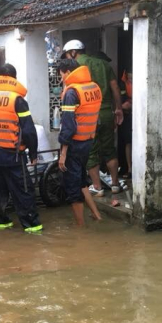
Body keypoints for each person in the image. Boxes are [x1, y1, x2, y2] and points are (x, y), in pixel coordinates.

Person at [0, 63, 42, 233]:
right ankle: (32, 227)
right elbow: (28, 130)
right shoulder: (18, 100)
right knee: (24, 191)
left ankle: (1, 222)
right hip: (13, 155)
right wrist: (33, 153)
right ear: (14, 78)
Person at [61, 40, 124, 197]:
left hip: (89, 116)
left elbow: (69, 92)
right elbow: (115, 87)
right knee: (110, 149)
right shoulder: (103, 64)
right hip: (106, 113)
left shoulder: (75, 67)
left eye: (68, 54)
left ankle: (97, 187)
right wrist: (118, 108)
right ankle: (115, 184)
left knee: (92, 152)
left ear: (73, 52)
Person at [57, 59, 103, 225]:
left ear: (68, 72)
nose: (62, 79)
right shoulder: (94, 87)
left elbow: (68, 127)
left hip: (74, 145)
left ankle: (81, 230)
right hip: (88, 141)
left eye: (62, 75)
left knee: (72, 186)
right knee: (81, 179)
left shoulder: (72, 93)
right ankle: (97, 215)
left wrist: (63, 153)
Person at [119, 70, 133, 178]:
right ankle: (129, 168)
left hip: (138, 114)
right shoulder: (122, 84)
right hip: (127, 116)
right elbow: (121, 100)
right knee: (128, 142)